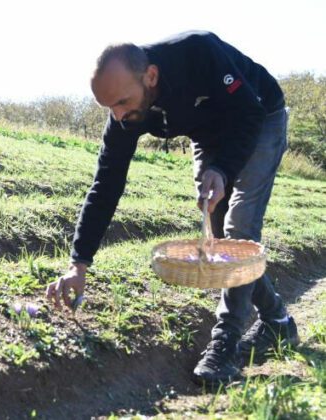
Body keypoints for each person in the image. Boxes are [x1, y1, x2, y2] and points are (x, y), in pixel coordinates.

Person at [45, 31, 299, 387]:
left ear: (150, 76)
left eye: (121, 102)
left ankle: (224, 345)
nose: (118, 117)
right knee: (219, 236)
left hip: (259, 115)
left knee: (239, 228)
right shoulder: (124, 112)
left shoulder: (198, 51)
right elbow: (106, 184)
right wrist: (79, 263)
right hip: (209, 135)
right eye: (109, 109)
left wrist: (222, 169)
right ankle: (277, 322)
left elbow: (248, 113)